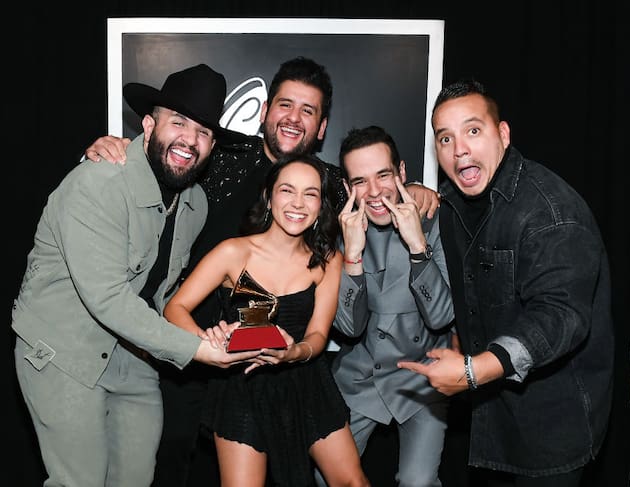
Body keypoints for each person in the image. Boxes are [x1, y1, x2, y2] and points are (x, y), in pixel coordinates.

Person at [86, 56, 440, 486]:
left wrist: (421, 191)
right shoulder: (218, 159)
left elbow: (376, 190)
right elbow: (170, 154)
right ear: (266, 112)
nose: (294, 118)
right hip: (197, 354)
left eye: (308, 111)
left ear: (322, 128)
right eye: (285, 105)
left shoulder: (332, 185)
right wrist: (125, 148)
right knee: (174, 465)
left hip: (294, 368)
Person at [11, 63, 262, 487]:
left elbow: (161, 291)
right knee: (81, 480)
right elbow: (108, 298)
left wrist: (203, 335)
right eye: (178, 122)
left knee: (136, 478)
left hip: (134, 354)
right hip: (62, 348)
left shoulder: (196, 203)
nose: (190, 140)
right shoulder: (99, 183)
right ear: (149, 125)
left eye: (203, 132)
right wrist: (198, 352)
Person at [397, 79, 615, 487]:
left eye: (473, 130)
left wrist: (473, 370)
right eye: (445, 138)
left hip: (555, 421)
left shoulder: (550, 211)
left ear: (503, 134)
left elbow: (560, 315)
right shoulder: (455, 204)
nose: (459, 148)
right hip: (493, 417)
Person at [164, 155, 371, 487]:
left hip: (307, 383)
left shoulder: (328, 260)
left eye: (311, 194)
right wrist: (207, 343)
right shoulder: (234, 252)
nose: (298, 203)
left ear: (322, 206)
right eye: (287, 190)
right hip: (242, 386)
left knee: (353, 482)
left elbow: (319, 333)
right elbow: (175, 309)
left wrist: (295, 352)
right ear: (269, 196)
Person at [315, 125, 455, 487]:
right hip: (361, 376)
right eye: (360, 181)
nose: (375, 192)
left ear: (403, 173)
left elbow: (441, 316)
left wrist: (416, 245)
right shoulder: (338, 232)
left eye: (384, 175)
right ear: (347, 188)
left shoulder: (437, 220)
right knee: (326, 476)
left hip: (422, 376)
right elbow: (348, 327)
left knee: (417, 481)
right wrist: (354, 255)